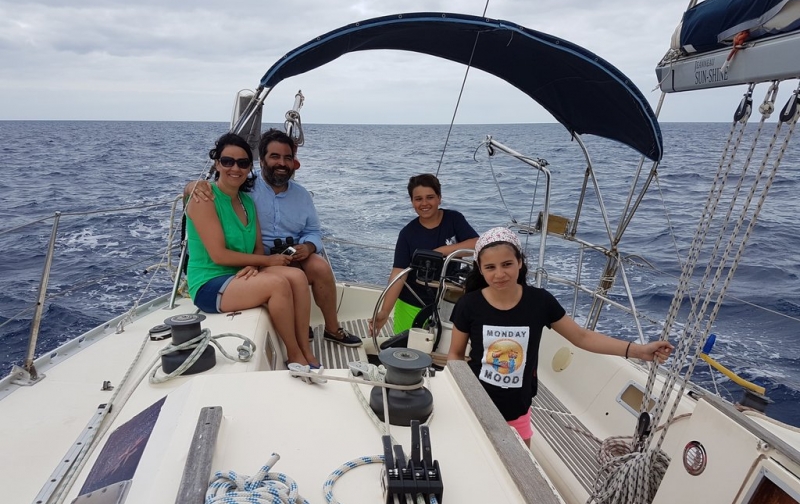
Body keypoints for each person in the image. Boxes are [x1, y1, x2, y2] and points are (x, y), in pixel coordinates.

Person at [446, 227, 673, 447]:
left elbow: (582, 337)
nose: (499, 274)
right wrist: (463, 393)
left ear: (520, 262)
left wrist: (639, 351)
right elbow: (455, 354)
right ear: (480, 269)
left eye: (507, 264)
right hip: (477, 402)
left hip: (518, 409)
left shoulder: (540, 302)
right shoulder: (469, 304)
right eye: (490, 267)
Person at [187, 128, 362, 348]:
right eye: (275, 156)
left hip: (292, 254)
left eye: (287, 158)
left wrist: (309, 247)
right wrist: (191, 186)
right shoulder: (245, 189)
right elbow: (210, 193)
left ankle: (332, 329)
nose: (282, 163)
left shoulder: (302, 196)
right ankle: (299, 332)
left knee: (320, 267)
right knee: (290, 278)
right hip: (259, 258)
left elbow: (314, 231)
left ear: (294, 163)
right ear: (261, 161)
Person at [185, 132, 320, 369]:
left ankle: (306, 349)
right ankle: (294, 353)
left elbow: (257, 246)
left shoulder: (246, 201)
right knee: (277, 285)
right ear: (217, 164)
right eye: (227, 161)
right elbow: (218, 255)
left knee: (298, 277)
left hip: (238, 274)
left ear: (250, 168)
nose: (235, 168)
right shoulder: (204, 199)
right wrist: (268, 262)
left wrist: (255, 263)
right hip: (209, 282)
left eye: (243, 163)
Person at [369, 173, 478, 336]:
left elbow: (477, 243)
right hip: (411, 301)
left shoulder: (454, 219)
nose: (424, 203)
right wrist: (384, 312)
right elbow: (399, 274)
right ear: (412, 202)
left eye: (430, 197)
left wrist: (441, 251)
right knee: (405, 348)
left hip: (447, 301)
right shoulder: (407, 234)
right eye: (418, 199)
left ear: (439, 198)